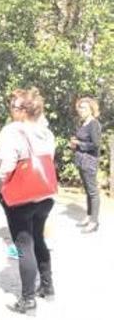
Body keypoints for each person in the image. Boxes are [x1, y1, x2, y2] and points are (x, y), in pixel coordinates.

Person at [0, 88, 56, 313]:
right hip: (44, 193)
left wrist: (1, 186)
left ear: (22, 110)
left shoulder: (12, 131)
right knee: (38, 238)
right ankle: (48, 286)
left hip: (21, 195)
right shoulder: (45, 132)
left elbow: (7, 166)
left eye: (13, 106)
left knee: (23, 245)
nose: (11, 110)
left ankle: (28, 298)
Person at [70, 97, 102, 233]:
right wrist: (74, 144)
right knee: (88, 191)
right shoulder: (83, 123)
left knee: (93, 192)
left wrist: (79, 144)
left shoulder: (94, 124)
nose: (81, 110)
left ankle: (94, 222)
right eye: (80, 107)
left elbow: (96, 145)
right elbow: (83, 140)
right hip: (81, 160)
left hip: (89, 161)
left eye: (84, 108)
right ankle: (89, 216)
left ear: (91, 109)